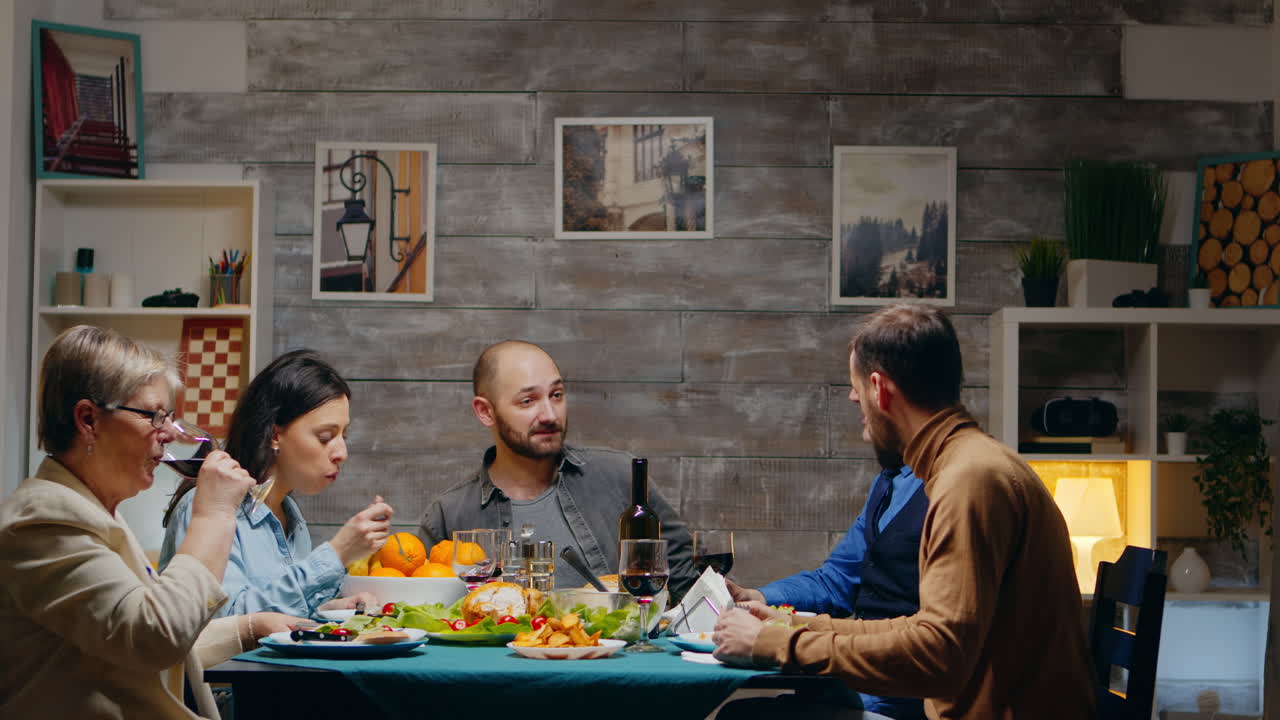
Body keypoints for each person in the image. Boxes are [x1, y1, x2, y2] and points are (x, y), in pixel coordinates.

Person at [712, 304, 1095, 720]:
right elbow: (919, 626)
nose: (853, 397)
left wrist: (775, 645)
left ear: (880, 389)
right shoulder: (966, 465)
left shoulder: (969, 482)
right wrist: (789, 629)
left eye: (857, 387)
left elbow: (939, 656)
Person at [0, 325, 303, 719]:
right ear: (89, 419)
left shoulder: (92, 510)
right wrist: (214, 514)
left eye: (170, 417)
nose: (168, 435)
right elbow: (154, 638)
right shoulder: (45, 520)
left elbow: (130, 646)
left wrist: (251, 628)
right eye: (153, 416)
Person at [417, 340, 697, 598]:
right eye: (528, 401)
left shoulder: (620, 477)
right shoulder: (448, 516)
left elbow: (689, 587)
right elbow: (425, 612)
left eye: (557, 395)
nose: (550, 415)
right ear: (486, 412)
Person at [160, 349, 393, 618]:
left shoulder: (291, 516)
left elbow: (277, 610)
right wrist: (336, 553)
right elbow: (226, 624)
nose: (342, 452)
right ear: (274, 435)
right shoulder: (208, 509)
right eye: (326, 436)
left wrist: (328, 610)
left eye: (344, 435)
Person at [727, 462, 927, 720]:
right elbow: (836, 580)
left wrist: (779, 641)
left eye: (868, 418)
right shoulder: (889, 481)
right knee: (742, 712)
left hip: (902, 695)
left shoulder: (956, 485)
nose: (864, 427)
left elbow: (938, 639)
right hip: (854, 679)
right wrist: (757, 597)